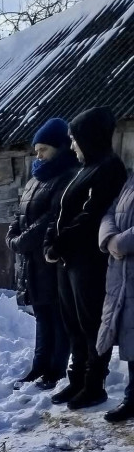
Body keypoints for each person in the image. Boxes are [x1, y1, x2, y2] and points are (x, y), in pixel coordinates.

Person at [46, 106, 128, 410]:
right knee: (73, 325)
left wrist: (61, 243)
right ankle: (77, 379)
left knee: (91, 324)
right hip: (69, 261)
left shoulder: (109, 168)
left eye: (74, 139)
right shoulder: (84, 169)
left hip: (89, 262)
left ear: (89, 137)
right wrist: (50, 242)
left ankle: (94, 385)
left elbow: (91, 216)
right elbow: (60, 211)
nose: (71, 146)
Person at [7, 118, 78, 389]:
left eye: (44, 150)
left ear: (60, 148)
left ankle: (55, 370)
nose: (38, 155)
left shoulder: (67, 175)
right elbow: (20, 213)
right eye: (37, 150)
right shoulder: (35, 178)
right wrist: (13, 235)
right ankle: (38, 367)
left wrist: (22, 241)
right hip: (32, 263)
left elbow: (52, 217)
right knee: (42, 318)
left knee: (58, 318)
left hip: (53, 261)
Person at [97, 170, 134, 423]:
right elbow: (110, 211)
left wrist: (123, 242)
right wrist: (109, 238)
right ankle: (133, 397)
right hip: (124, 271)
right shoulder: (131, 179)